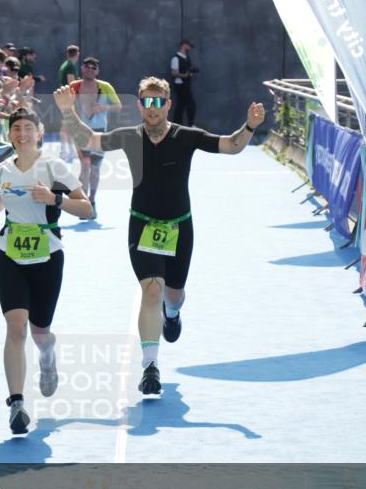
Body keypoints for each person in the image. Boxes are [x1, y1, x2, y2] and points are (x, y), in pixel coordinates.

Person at [54, 77, 265, 394]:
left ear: (168, 104)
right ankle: (150, 367)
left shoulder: (186, 136)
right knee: (151, 289)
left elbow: (230, 145)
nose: (152, 108)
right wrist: (69, 111)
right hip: (142, 225)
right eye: (146, 102)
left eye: (158, 102)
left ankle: (174, 312)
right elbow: (90, 140)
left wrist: (249, 126)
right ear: (139, 105)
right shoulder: (130, 137)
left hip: (180, 227)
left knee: (173, 294)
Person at [0, 107, 94, 434]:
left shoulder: (53, 167)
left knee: (40, 332)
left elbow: (87, 209)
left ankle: (47, 358)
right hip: (9, 253)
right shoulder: (4, 168)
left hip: (47, 256)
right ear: (11, 134)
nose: (21, 133)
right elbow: (0, 194)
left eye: (27, 128)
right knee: (15, 327)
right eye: (15, 128)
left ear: (38, 131)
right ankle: (16, 402)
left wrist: (54, 200)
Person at [69, 58, 122, 217]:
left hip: (100, 132)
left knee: (95, 168)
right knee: (85, 165)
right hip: (81, 131)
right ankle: (84, 202)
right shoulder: (74, 86)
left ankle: (92, 199)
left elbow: (118, 106)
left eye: (94, 68)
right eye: (87, 67)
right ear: (82, 68)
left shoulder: (105, 87)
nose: (90, 70)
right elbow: (68, 107)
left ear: (97, 71)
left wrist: (104, 107)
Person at [57, 45, 81, 161]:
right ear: (77, 54)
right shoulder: (70, 66)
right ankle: (64, 151)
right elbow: (71, 83)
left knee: (68, 124)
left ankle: (70, 151)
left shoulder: (66, 65)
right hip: (68, 98)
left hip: (65, 97)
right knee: (66, 124)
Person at [170, 39, 198, 127]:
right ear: (183, 45)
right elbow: (174, 73)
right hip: (180, 85)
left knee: (181, 105)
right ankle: (191, 124)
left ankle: (176, 125)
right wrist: (184, 75)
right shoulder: (176, 58)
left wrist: (190, 74)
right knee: (191, 104)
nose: (190, 48)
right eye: (189, 46)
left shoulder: (187, 58)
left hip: (186, 84)